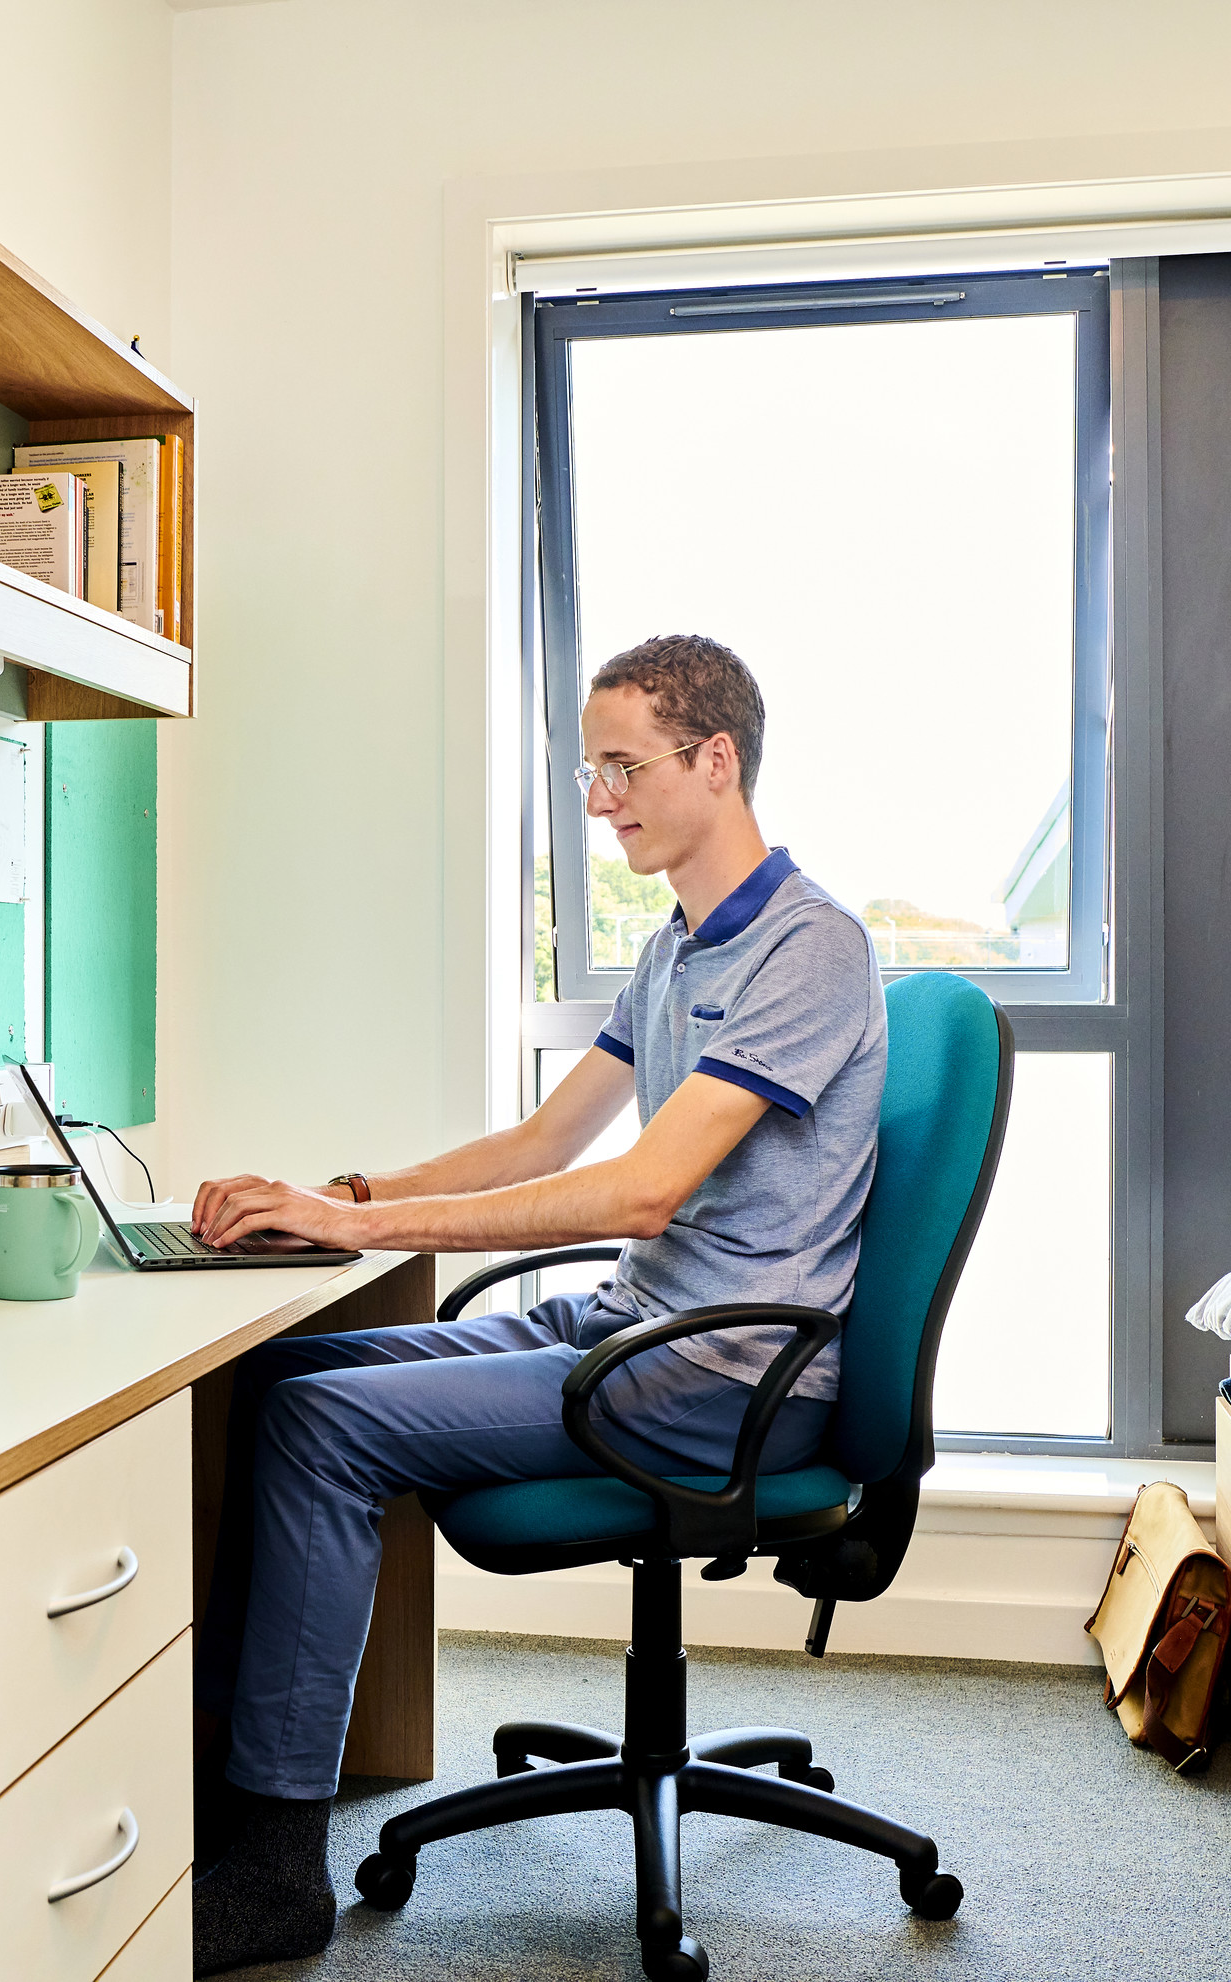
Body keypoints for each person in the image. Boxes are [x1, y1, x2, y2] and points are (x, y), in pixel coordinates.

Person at [182, 633, 888, 1974]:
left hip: (727, 1376)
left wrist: (362, 1228)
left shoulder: (812, 950)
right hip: (635, 1328)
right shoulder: (679, 947)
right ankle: (228, 1793)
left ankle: (272, 1868)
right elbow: (542, 1146)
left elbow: (641, 1193)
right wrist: (342, 1188)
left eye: (624, 765)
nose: (598, 795)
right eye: (591, 767)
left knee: (326, 1428)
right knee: (280, 1380)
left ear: (716, 760)